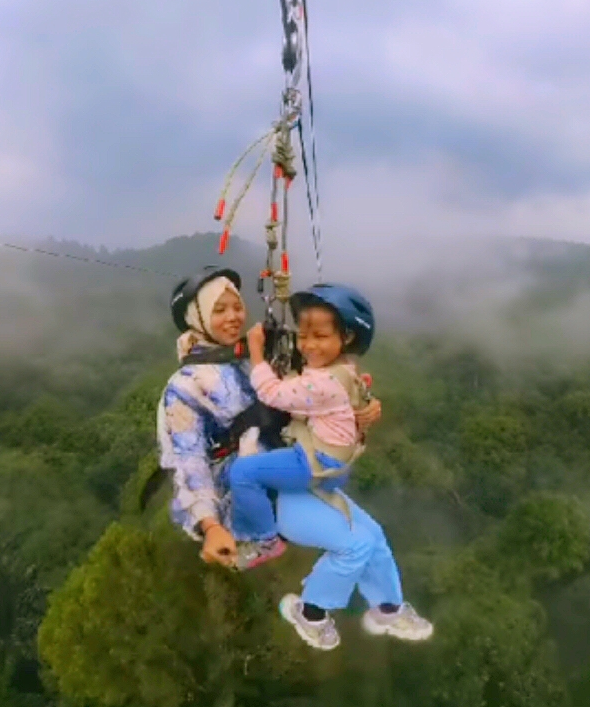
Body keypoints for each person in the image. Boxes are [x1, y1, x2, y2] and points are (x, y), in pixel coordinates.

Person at [157, 266, 433, 650]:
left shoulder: (256, 358)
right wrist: (209, 525)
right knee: (354, 545)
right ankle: (311, 613)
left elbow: (316, 394)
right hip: (264, 494)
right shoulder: (185, 387)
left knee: (373, 537)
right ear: (197, 316)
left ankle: (388, 608)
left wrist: (361, 409)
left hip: (297, 466)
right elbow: (188, 461)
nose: (233, 317)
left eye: (236, 307)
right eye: (218, 310)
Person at [227, 285, 374, 552]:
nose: (309, 345)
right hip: (335, 461)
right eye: (303, 336)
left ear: (347, 336)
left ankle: (264, 539)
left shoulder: (324, 382)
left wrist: (256, 351)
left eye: (320, 336)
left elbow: (271, 393)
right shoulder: (343, 370)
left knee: (241, 473)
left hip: (318, 462)